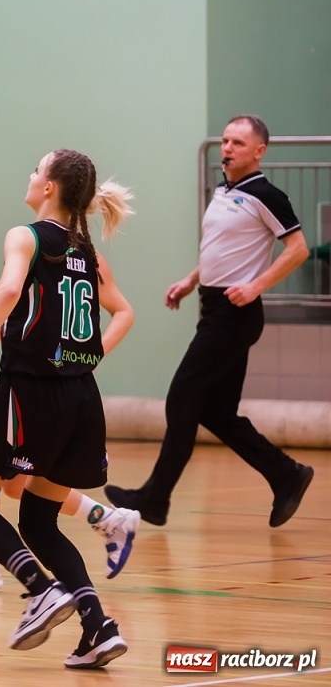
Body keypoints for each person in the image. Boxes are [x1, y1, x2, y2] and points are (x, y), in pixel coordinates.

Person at [0, 150, 136, 669]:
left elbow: (9, 290)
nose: (30, 175)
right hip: (81, 400)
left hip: (29, 397)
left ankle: (39, 589)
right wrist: (83, 356)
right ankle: (98, 627)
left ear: (51, 187)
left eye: (37, 169)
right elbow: (121, 314)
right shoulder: (87, 252)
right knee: (38, 519)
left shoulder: (26, 235)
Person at [106, 115, 313, 528]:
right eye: (225, 141)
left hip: (236, 315)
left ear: (259, 151)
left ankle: (154, 498)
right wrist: (189, 279)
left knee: (182, 396)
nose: (228, 149)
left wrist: (256, 286)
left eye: (238, 142)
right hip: (213, 307)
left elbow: (298, 249)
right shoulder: (223, 191)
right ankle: (286, 475)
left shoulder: (266, 195)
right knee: (217, 413)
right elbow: (220, 251)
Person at [0, 277, 140, 594]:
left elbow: (121, 312)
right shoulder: (56, 251)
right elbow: (29, 322)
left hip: (40, 393)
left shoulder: (44, 245)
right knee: (14, 483)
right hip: (49, 389)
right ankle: (106, 520)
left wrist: (87, 358)